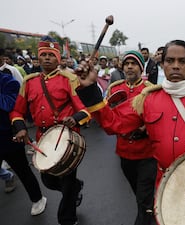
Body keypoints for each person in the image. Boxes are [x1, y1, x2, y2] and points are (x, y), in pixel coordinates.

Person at [76, 39, 185, 186]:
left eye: (182, 61)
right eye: (170, 60)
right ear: (162, 64)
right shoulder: (147, 98)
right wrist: (90, 89)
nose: (175, 65)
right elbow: (113, 123)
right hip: (166, 183)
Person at [10, 36, 91, 225]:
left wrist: (75, 118)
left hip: (66, 137)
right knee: (48, 180)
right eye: (43, 55)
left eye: (51, 55)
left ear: (58, 59)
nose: (46, 58)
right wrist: (20, 128)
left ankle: (67, 219)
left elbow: (84, 110)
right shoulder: (28, 82)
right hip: (43, 139)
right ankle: (75, 188)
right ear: (38, 58)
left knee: (68, 182)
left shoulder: (67, 80)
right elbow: (16, 110)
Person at [106, 50, 157, 225]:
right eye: (126, 63)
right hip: (124, 152)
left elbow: (157, 117)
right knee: (140, 193)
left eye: (133, 63)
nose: (129, 66)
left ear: (140, 68)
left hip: (146, 153)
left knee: (144, 196)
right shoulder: (114, 88)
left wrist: (145, 128)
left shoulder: (150, 89)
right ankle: (152, 211)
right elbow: (108, 115)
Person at [1, 70, 48, 215]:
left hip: (7, 137)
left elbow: (10, 105)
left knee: (23, 171)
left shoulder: (8, 81)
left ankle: (38, 199)